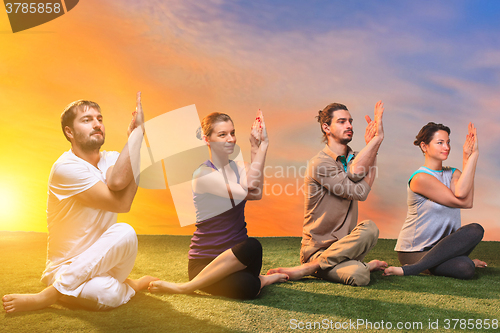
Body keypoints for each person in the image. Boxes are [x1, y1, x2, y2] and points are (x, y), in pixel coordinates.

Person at [2, 92, 157, 313]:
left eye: (99, 119)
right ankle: (130, 285)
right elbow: (119, 202)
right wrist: (135, 145)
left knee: (125, 232)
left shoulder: (113, 158)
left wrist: (137, 139)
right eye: (87, 120)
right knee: (107, 294)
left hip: (108, 263)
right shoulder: (65, 168)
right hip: (66, 267)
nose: (97, 124)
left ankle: (51, 295)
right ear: (69, 132)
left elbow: (117, 181)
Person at [149, 111, 288, 299]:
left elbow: (256, 194)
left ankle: (261, 280)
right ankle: (186, 287)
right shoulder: (204, 175)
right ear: (208, 140)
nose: (230, 139)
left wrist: (257, 147)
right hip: (205, 263)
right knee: (249, 274)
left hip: (238, 258)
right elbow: (249, 188)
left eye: (232, 133)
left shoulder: (240, 167)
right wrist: (262, 148)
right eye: (222, 135)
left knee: (252, 261)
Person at [267, 101, 387, 286]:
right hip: (317, 250)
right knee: (360, 276)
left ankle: (316, 268)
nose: (349, 126)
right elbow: (360, 190)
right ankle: (313, 265)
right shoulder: (320, 163)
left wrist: (373, 146)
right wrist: (376, 141)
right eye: (341, 121)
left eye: (350, 121)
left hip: (345, 247)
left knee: (370, 229)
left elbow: (358, 175)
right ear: (326, 127)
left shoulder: (356, 158)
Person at [384, 122, 486, 279]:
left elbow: (464, 195)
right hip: (415, 251)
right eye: (440, 143)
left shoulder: (453, 173)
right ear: (424, 146)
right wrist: (472, 158)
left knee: (466, 267)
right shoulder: (420, 178)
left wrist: (471, 156)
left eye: (448, 142)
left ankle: (425, 266)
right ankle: (411, 269)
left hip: (446, 249)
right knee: (475, 231)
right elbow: (463, 201)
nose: (446, 147)